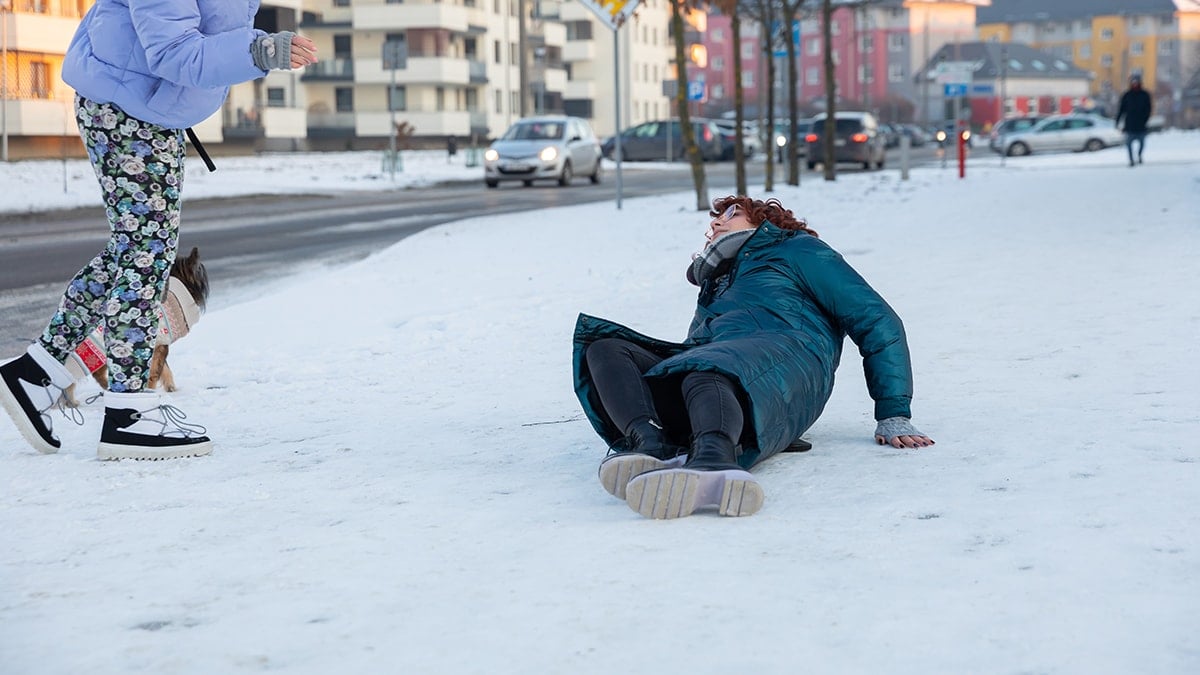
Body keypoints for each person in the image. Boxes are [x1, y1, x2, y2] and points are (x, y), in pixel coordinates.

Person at [0, 1, 318, 460]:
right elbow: (174, 53)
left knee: (134, 250)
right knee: (144, 254)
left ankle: (38, 372)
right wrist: (260, 50)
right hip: (126, 107)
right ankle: (129, 410)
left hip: (149, 109)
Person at [572, 196, 934, 520]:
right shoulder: (718, 282)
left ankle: (714, 459)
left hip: (791, 365)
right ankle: (651, 444)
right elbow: (699, 347)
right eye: (712, 220)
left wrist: (893, 411)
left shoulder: (797, 249)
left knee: (707, 366)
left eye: (730, 213)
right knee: (605, 347)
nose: (715, 223)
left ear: (766, 220)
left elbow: (875, 318)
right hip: (728, 374)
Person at [1115, 74, 1153, 167]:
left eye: (1136, 82)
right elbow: (1121, 109)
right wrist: (1117, 121)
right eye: (1133, 82)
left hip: (1141, 125)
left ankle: (1139, 155)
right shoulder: (1127, 95)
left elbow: (1148, 109)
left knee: (1142, 144)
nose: (1135, 84)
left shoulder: (1145, 95)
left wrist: (1145, 119)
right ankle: (1131, 160)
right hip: (1129, 125)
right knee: (1128, 144)